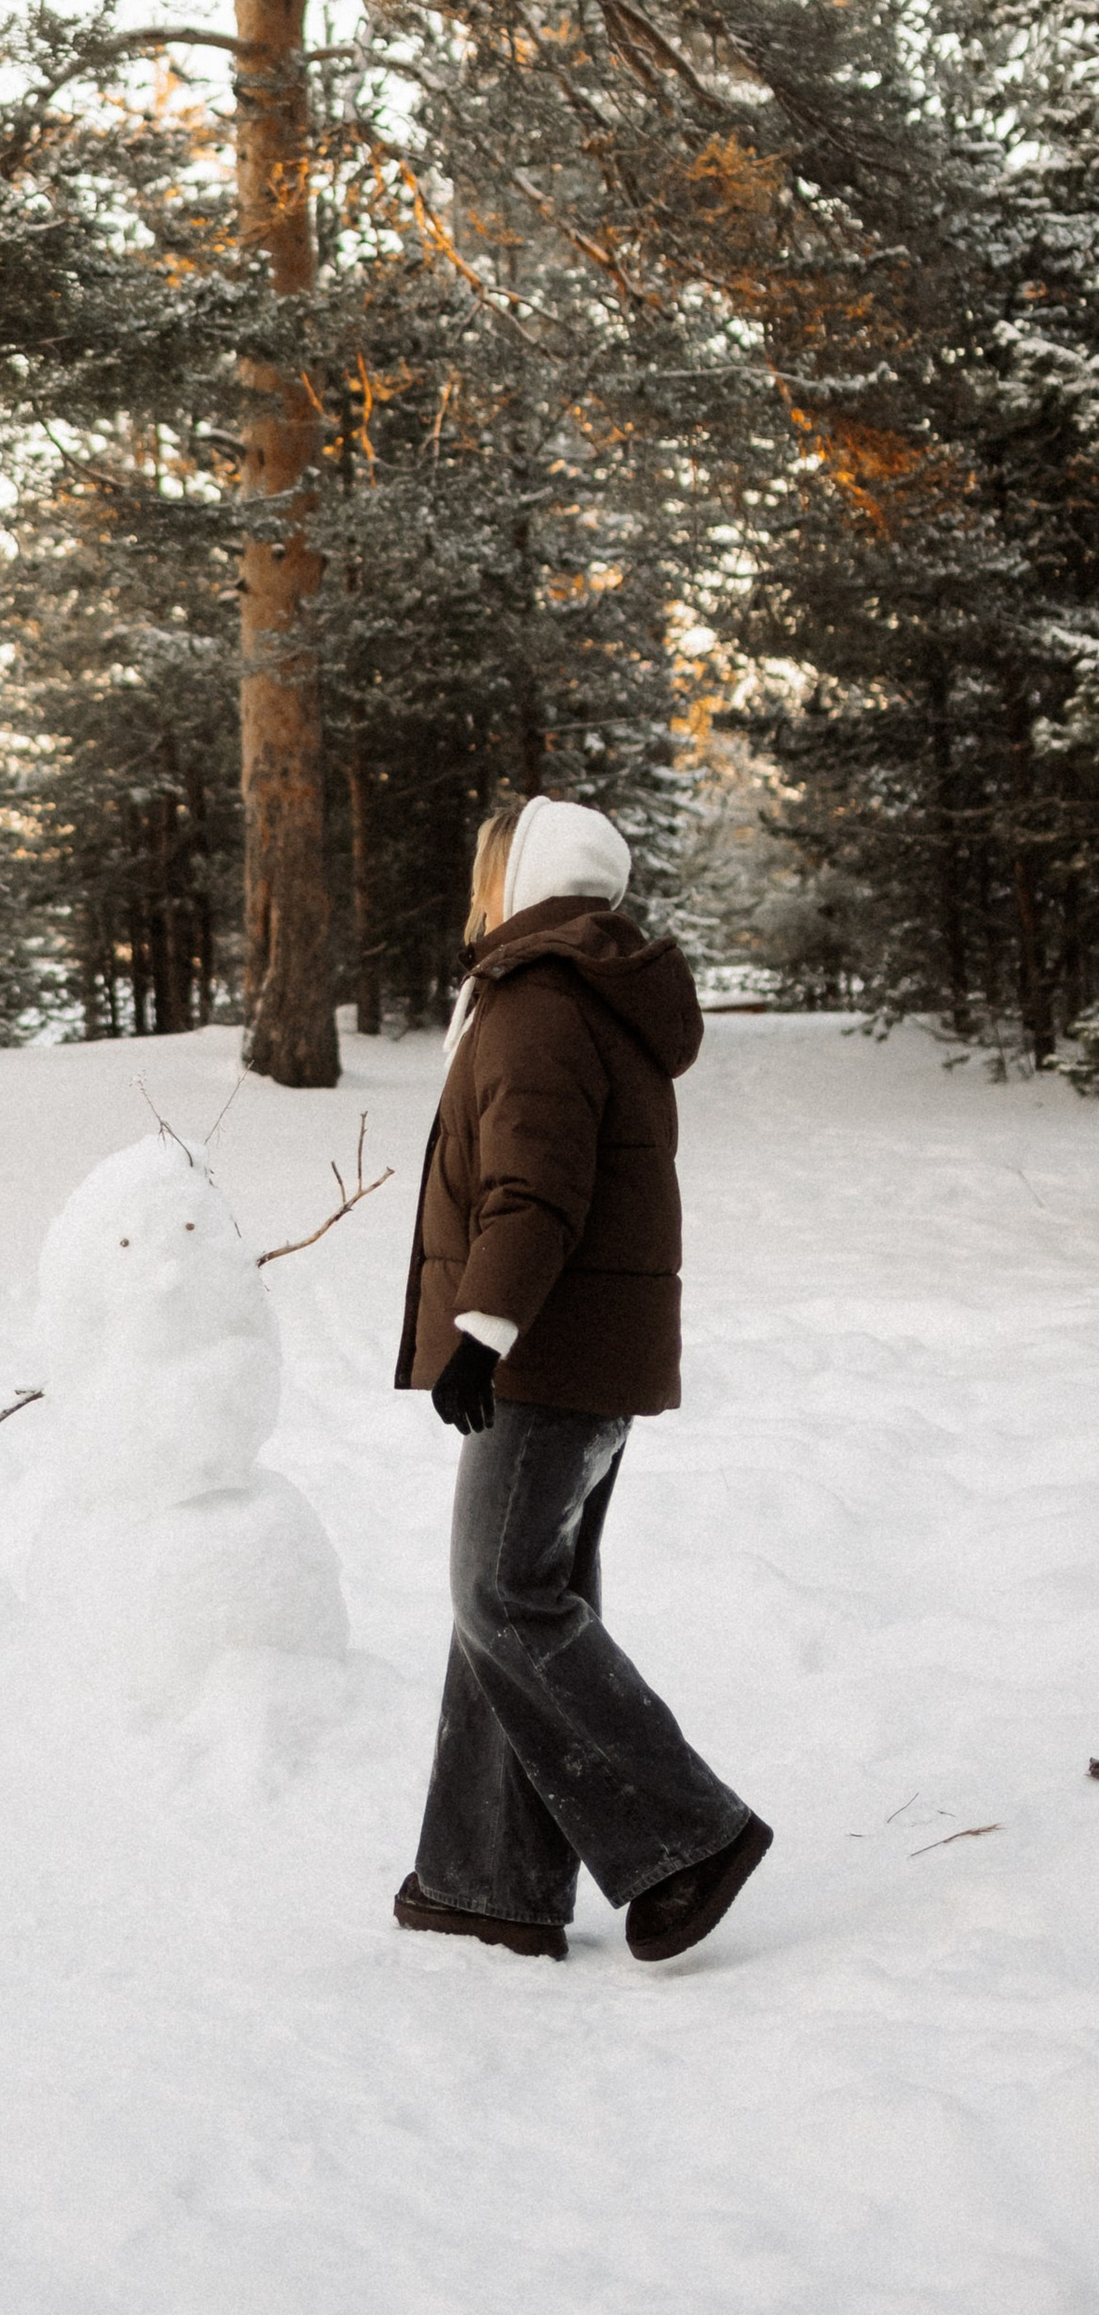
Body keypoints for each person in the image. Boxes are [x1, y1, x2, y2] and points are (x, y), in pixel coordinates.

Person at [392, 794, 771, 1964]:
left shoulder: (538, 999)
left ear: (527, 876)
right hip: (581, 1351)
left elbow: (532, 1187)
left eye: (490, 864)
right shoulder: (585, 989)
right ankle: (486, 1880)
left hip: (545, 1351)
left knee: (504, 1598)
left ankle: (687, 1836)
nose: (479, 884)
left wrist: (482, 1328)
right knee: (507, 1604)